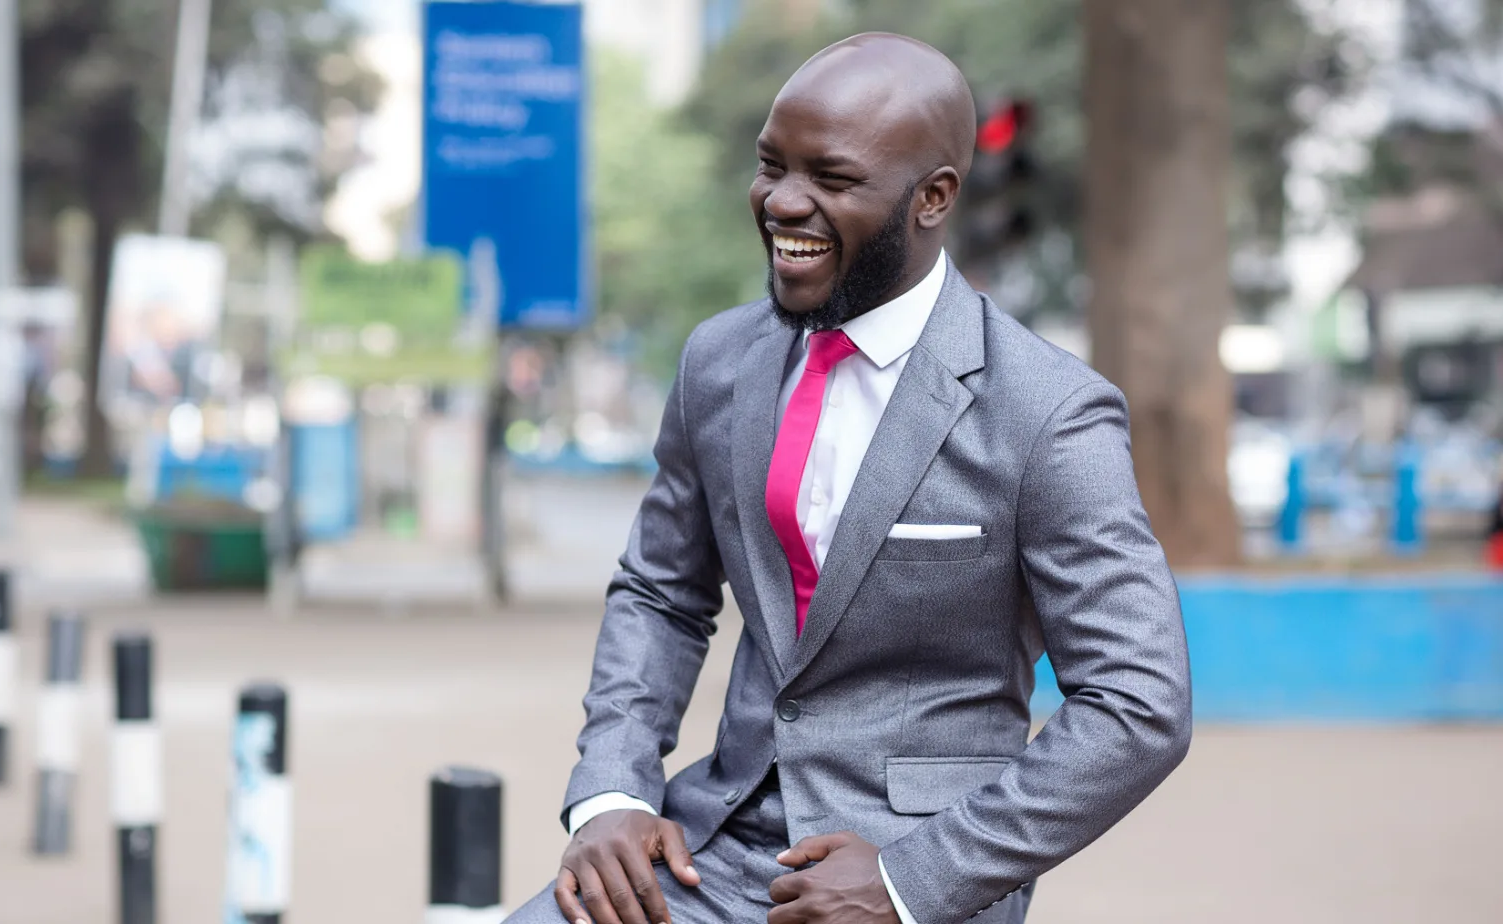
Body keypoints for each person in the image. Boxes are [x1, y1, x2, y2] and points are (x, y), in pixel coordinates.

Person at [505, 33, 1192, 924]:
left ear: (933, 198)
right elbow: (662, 592)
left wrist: (916, 880)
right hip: (711, 847)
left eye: (830, 179)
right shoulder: (719, 360)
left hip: (916, 875)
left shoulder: (1048, 413)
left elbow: (1139, 703)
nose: (783, 203)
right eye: (771, 166)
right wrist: (612, 792)